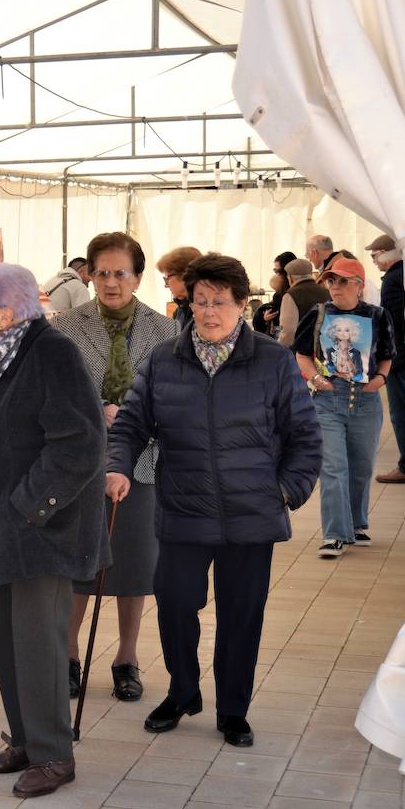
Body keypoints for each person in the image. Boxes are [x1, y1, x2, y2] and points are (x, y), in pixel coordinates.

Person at [106, 253, 321, 749]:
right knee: (176, 605)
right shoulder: (164, 359)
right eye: (200, 301)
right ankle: (182, 692)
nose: (208, 312)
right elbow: (132, 422)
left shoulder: (271, 360)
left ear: (242, 305)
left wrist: (286, 491)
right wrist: (118, 464)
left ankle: (233, 710)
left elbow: (305, 437)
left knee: (242, 615)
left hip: (251, 516)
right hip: (183, 509)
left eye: (219, 302)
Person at [0, 263, 109, 799]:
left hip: (42, 530)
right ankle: (24, 739)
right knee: (4, 639)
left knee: (38, 644)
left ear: (8, 312)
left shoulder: (50, 352)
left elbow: (80, 442)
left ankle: (54, 755)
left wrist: (27, 506)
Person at [55, 232, 177, 703]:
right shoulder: (65, 326)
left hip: (142, 465)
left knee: (134, 567)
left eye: (119, 273)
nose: (109, 283)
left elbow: (171, 399)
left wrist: (135, 420)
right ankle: (67, 654)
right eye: (101, 273)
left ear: (138, 277)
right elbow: (56, 394)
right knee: (79, 565)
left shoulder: (166, 332)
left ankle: (127, 658)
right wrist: (94, 411)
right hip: (80, 467)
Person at [293, 256, 397, 558]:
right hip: (328, 398)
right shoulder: (319, 314)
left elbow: (389, 354)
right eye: (331, 281)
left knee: (362, 466)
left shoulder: (377, 315)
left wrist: (380, 378)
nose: (335, 287)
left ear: (359, 286)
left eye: (342, 281)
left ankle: (356, 524)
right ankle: (335, 533)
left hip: (365, 398)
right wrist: (315, 378)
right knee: (333, 467)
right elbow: (301, 353)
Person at [367, 235, 405, 484]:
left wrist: (386, 356)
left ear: (386, 253)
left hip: (400, 357)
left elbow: (394, 323)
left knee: (402, 411)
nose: (374, 261)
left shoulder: (394, 280)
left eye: (374, 256)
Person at [277, 258, 329, 347]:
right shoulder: (326, 292)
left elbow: (288, 331)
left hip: (301, 350)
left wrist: (279, 348)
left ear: (291, 277)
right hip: (324, 346)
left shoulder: (291, 295)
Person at [251, 251, 297, 338]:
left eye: (278, 272)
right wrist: (264, 318)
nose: (276, 275)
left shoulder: (293, 294)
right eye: (275, 271)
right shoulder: (279, 294)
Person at [155, 246, 202, 329]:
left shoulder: (206, 312)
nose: (166, 285)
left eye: (167, 278)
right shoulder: (180, 311)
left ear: (184, 275)